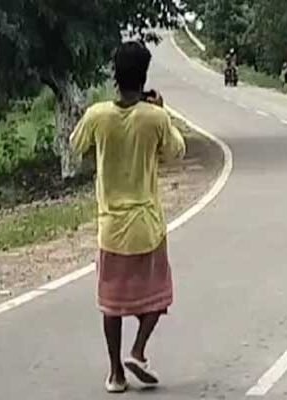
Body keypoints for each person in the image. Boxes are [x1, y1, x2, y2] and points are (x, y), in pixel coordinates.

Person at [69, 40, 186, 393]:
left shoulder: (97, 115)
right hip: (146, 224)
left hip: (111, 226)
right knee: (159, 294)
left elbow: (76, 147)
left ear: (114, 76)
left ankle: (116, 373)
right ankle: (138, 349)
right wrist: (161, 110)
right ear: (144, 76)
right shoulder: (155, 117)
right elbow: (177, 152)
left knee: (112, 303)